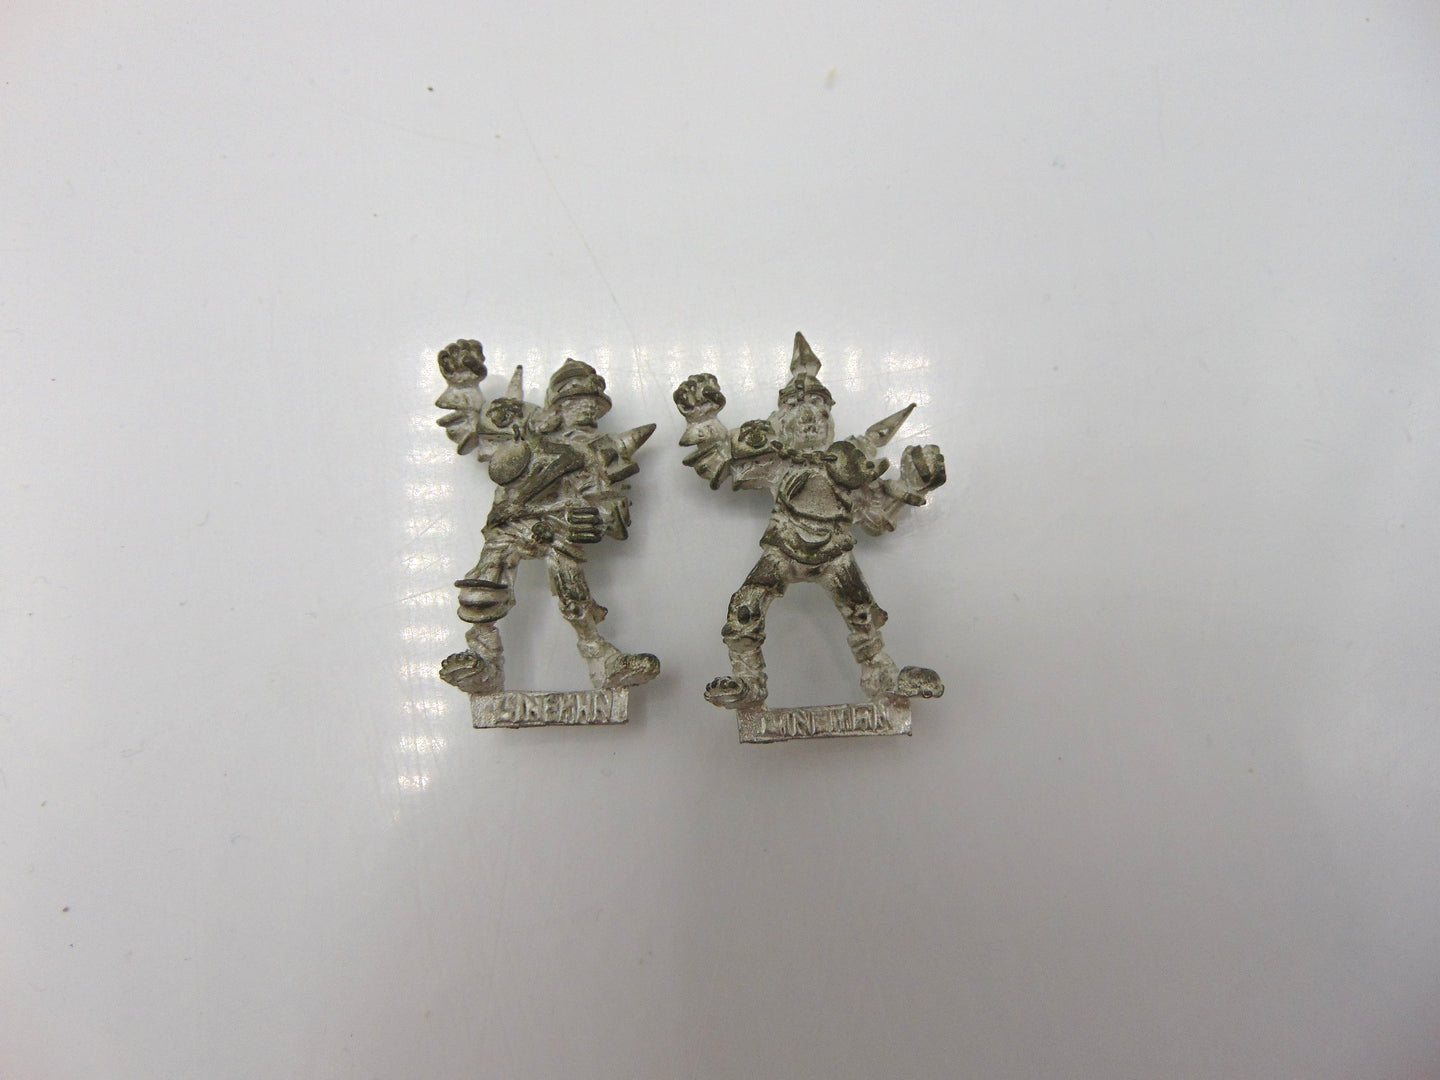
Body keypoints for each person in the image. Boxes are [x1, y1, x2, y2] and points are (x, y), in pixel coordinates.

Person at [675, 332, 946, 708]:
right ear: (780, 418)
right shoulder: (774, 458)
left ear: (830, 417)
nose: (808, 418)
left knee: (863, 617)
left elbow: (877, 515)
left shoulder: (851, 463)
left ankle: (884, 681)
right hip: (782, 550)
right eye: (797, 407)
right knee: (746, 606)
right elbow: (717, 456)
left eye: (819, 409)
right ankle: (748, 681)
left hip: (837, 555)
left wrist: (912, 484)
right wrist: (702, 415)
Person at [435, 344, 659, 695]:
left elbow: (611, 502)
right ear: (557, 406)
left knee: (574, 595)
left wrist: (599, 519)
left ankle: (603, 661)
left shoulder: (601, 452)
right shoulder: (522, 431)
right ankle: (482, 658)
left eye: (591, 402)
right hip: (512, 523)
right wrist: (463, 383)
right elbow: (473, 428)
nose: (586, 408)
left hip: (561, 526)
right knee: (485, 583)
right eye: (575, 400)